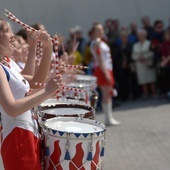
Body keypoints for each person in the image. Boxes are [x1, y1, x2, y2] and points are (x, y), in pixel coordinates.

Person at [0, 19, 64, 170]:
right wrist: (47, 91)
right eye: (7, 31)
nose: (13, 36)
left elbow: (36, 81)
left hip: (27, 132)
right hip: (17, 136)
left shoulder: (7, 63)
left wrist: (47, 47)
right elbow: (12, 108)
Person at [90, 23, 120, 126]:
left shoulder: (101, 42)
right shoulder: (97, 43)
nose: (101, 31)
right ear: (94, 32)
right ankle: (108, 118)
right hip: (103, 70)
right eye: (98, 30)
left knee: (109, 94)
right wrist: (106, 73)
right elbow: (100, 59)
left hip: (107, 68)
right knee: (106, 94)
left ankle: (109, 117)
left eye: (102, 29)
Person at [132, 29, 157, 98]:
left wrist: (145, 57)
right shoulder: (135, 45)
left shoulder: (149, 43)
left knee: (151, 79)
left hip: (148, 63)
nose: (141, 37)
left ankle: (154, 93)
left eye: (142, 35)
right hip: (140, 64)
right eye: (139, 35)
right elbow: (133, 55)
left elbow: (152, 53)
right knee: (143, 80)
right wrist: (138, 58)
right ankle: (146, 94)